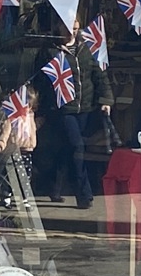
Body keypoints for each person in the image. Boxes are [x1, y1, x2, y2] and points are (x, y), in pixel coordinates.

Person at [40, 24, 113, 209]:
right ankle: (84, 194)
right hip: (63, 108)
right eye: (66, 27)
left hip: (85, 107)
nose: (70, 31)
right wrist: (40, 109)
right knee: (77, 147)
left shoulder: (87, 48)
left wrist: (105, 100)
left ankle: (53, 186)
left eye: (75, 27)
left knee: (67, 149)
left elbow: (99, 76)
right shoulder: (50, 50)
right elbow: (42, 81)